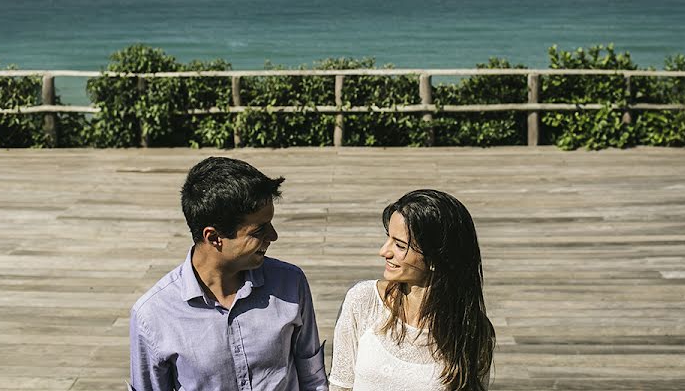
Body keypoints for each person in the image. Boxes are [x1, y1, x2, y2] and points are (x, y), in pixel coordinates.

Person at [129, 156, 328, 391]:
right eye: (259, 230)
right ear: (213, 238)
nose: (273, 236)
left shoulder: (291, 283)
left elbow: (313, 379)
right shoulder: (153, 315)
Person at [329, 189, 495, 391]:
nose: (384, 251)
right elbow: (340, 385)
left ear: (435, 259)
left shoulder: (472, 329)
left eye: (399, 245)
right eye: (388, 238)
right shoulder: (362, 300)